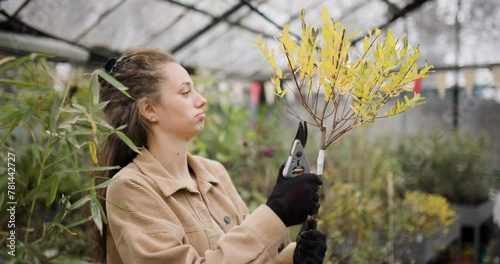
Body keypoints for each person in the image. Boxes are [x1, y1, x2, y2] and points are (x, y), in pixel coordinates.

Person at [89, 47, 327, 264]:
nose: (201, 100)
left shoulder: (214, 173)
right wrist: (277, 211)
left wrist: (291, 259)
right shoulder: (130, 188)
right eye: (185, 92)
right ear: (150, 109)